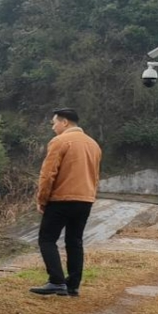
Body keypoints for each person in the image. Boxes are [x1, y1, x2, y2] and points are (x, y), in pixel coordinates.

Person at [30, 107, 102, 297]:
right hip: (85, 199)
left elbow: (48, 174)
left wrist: (42, 199)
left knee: (47, 239)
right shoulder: (93, 144)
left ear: (65, 123)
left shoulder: (60, 141)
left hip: (62, 198)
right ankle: (73, 285)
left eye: (54, 123)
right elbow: (95, 175)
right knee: (75, 241)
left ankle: (56, 281)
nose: (53, 127)